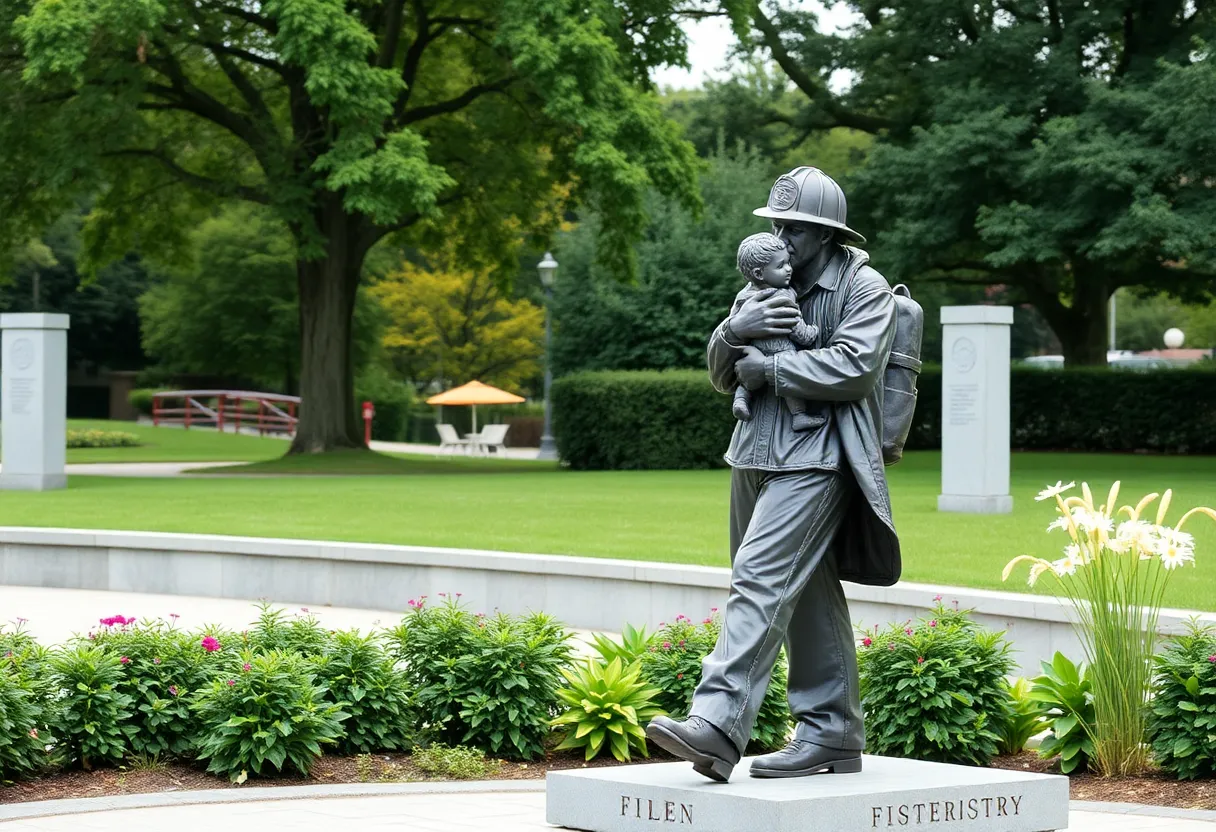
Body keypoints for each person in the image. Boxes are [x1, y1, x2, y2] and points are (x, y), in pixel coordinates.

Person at [646, 166, 902, 782]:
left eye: (795, 228)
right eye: (777, 225)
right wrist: (734, 332)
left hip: (818, 456)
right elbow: (721, 374)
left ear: (826, 233)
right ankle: (831, 733)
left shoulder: (863, 287)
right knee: (801, 589)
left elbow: (856, 367)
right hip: (753, 453)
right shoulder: (760, 282)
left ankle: (716, 725)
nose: (781, 237)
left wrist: (772, 371)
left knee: (758, 580)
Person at [731, 231, 825, 432]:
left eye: (788, 262)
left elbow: (732, 322)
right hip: (780, 348)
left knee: (745, 376)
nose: (789, 269)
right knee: (787, 379)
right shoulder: (782, 296)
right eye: (781, 266)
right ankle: (799, 415)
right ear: (759, 273)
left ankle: (740, 400)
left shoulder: (743, 295)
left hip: (751, 349)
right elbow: (795, 327)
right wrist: (811, 333)